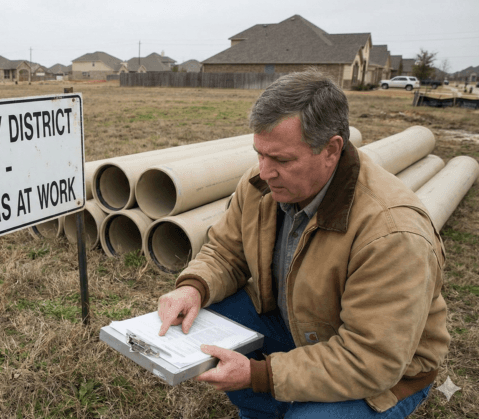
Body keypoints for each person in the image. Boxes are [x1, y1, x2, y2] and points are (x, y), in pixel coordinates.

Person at [157, 70, 449, 418]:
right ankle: (268, 409)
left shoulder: (392, 232)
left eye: (282, 160)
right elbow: (225, 251)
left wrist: (260, 375)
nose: (265, 171)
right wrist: (193, 288)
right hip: (298, 328)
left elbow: (371, 359)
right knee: (205, 313)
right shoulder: (260, 185)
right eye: (260, 154)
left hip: (383, 374)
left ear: (331, 150)